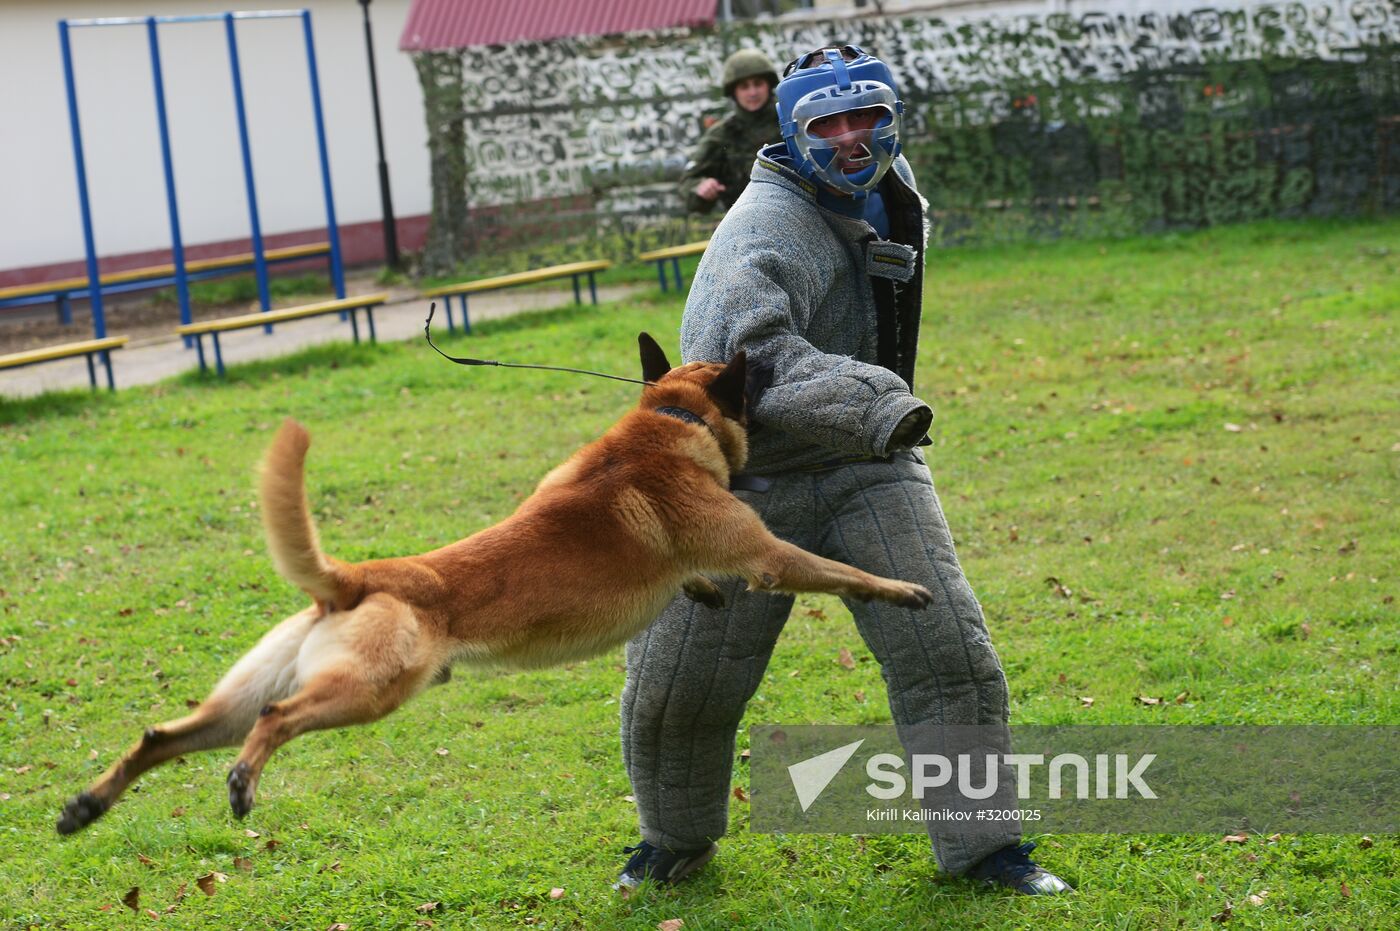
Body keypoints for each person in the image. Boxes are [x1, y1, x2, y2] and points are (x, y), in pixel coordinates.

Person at [617, 45, 1073, 896]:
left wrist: (871, 425)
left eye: (866, 115)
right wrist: (875, 402)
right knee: (679, 684)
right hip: (741, 483)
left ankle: (986, 849)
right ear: (791, 132)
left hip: (867, 466)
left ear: (891, 115)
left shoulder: (888, 194)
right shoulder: (760, 231)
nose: (851, 136)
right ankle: (670, 841)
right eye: (826, 123)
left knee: (947, 653)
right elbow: (751, 358)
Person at [676, 48, 783, 214]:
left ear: (768, 85)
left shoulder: (790, 120)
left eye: (758, 84)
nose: (752, 92)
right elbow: (688, 182)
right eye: (744, 86)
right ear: (734, 92)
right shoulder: (722, 134)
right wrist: (701, 188)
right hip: (747, 222)